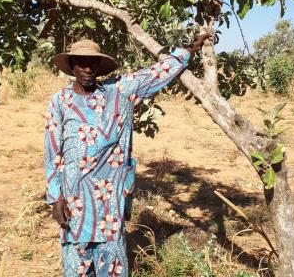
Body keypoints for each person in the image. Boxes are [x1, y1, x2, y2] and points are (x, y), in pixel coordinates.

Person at [44, 34, 209, 277]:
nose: (87, 69)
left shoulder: (120, 91)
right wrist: (55, 197)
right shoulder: (60, 101)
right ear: (72, 67)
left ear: (100, 66)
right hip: (74, 196)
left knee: (112, 261)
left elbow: (156, 73)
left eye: (92, 63)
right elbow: (52, 151)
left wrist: (189, 50)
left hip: (110, 196)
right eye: (80, 63)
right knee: (76, 264)